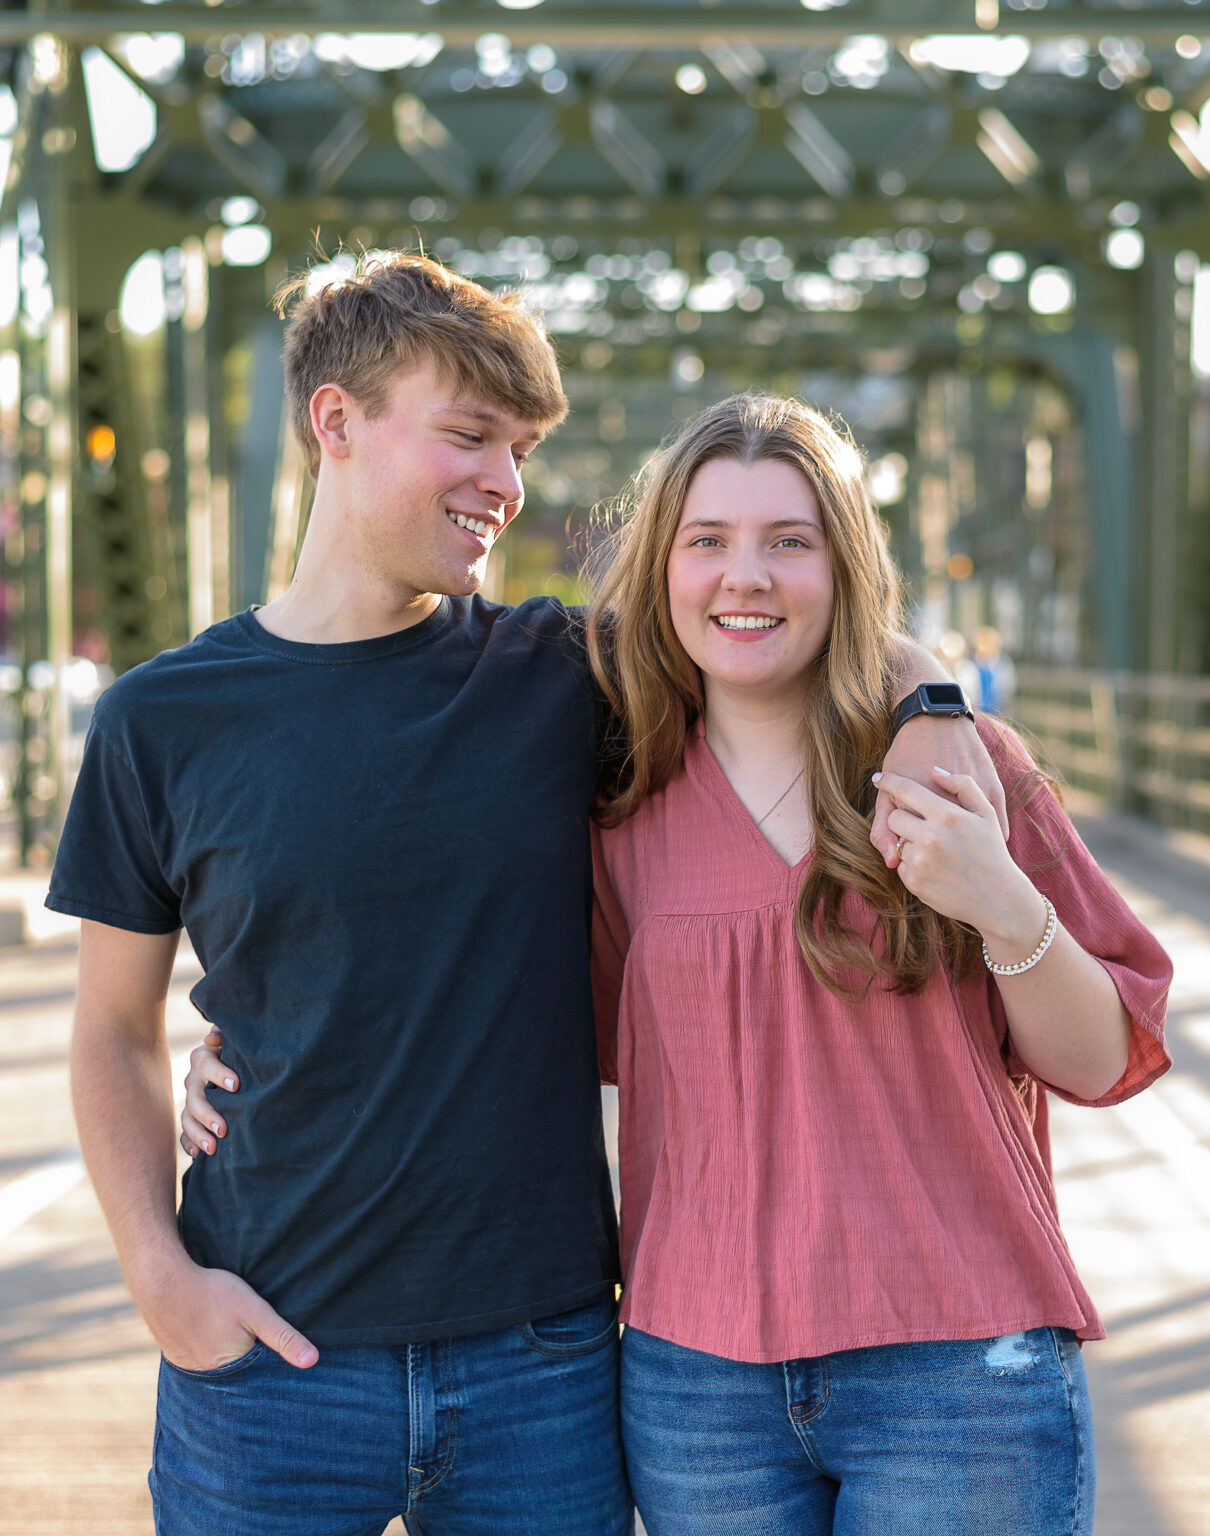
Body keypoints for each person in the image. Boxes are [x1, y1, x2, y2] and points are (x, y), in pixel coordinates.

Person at [75, 252, 1000, 1535]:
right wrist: (160, 1280)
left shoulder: (565, 676)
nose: (505, 485)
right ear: (334, 423)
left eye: (518, 449)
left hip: (542, 1369)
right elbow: (114, 1026)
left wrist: (930, 693)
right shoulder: (158, 719)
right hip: (268, 1361)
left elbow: (772, 608)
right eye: (469, 437)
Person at [578, 395, 1171, 1535]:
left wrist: (999, 899)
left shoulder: (962, 768)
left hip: (958, 1374)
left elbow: (1102, 1061)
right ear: (661, 570)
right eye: (707, 541)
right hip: (698, 1384)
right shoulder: (621, 810)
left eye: (787, 542)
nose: (742, 576)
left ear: (842, 569)